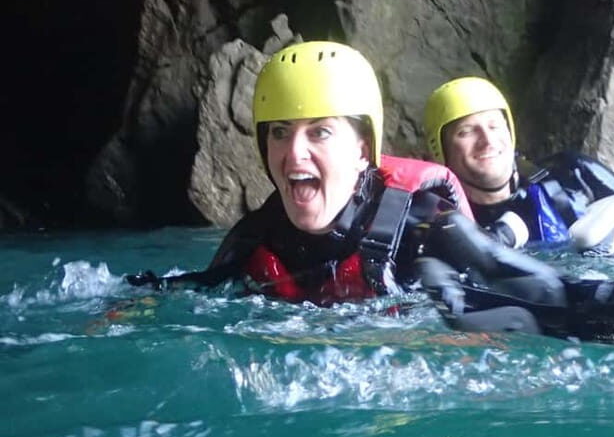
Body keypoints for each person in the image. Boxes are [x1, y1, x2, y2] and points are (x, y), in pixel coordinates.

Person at [126, 41, 566, 308]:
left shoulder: (425, 227)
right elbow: (184, 296)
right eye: (280, 132)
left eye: (320, 132)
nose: (294, 152)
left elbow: (541, 292)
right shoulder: (255, 239)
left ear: (362, 150)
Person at [422, 76, 614, 252]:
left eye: (494, 126)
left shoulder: (573, 174)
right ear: (440, 150)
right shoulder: (434, 218)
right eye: (466, 132)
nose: (488, 141)